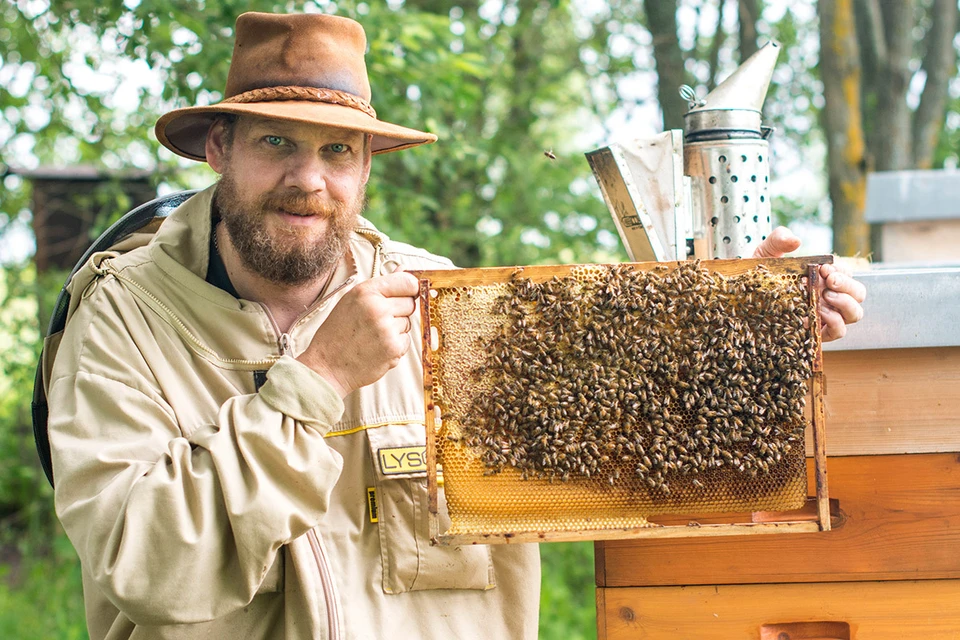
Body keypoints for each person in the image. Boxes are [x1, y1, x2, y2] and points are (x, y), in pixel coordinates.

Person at [45, 11, 866, 640]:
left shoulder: (452, 308)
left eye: (337, 152)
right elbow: (141, 565)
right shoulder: (124, 318)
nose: (308, 179)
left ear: (366, 166)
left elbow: (632, 448)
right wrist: (319, 380)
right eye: (276, 143)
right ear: (219, 148)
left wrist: (749, 325)